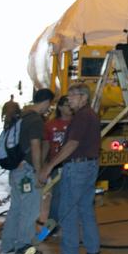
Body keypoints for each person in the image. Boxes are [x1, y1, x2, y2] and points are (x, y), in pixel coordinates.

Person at [39, 82, 101, 254]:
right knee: (85, 208)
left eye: (73, 95)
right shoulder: (91, 115)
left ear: (84, 97)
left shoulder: (82, 116)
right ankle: (93, 249)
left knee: (67, 210)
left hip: (77, 168)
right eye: (69, 95)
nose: (69, 99)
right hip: (90, 166)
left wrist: (49, 166)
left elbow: (72, 144)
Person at [0, 88, 52, 254]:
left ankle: (7, 246)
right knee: (29, 210)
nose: (48, 108)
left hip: (16, 169)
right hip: (27, 172)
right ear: (46, 102)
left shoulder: (21, 115)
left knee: (15, 208)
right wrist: (38, 172)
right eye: (49, 104)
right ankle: (23, 246)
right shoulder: (36, 120)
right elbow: (35, 146)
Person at [39, 99, 72, 231]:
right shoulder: (50, 125)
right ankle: (51, 227)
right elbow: (46, 145)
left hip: (73, 165)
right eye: (67, 105)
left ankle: (69, 225)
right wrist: (43, 166)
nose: (70, 107)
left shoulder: (76, 123)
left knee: (73, 196)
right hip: (56, 165)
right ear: (60, 107)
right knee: (57, 195)